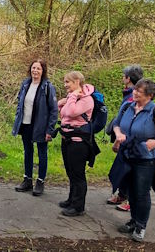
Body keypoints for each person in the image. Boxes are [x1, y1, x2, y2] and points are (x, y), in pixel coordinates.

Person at [110, 79, 155, 242]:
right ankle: (133, 220)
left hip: (145, 160)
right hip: (126, 155)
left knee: (141, 193)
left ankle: (141, 226)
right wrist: (118, 134)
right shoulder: (127, 106)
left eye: (139, 92)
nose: (134, 93)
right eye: (135, 89)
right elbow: (116, 123)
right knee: (130, 191)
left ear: (150, 95)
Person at [11, 59, 57, 196]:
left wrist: (50, 129)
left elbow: (54, 110)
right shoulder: (25, 84)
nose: (35, 71)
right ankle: (27, 180)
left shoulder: (47, 86)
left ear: (43, 71)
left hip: (41, 126)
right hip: (25, 124)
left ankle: (40, 181)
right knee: (28, 151)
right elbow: (20, 102)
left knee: (42, 153)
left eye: (38, 68)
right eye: (33, 68)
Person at [56, 71, 95, 217]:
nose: (65, 85)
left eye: (68, 82)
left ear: (77, 81)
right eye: (65, 82)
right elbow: (63, 114)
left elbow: (71, 112)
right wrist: (61, 105)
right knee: (70, 172)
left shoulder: (86, 100)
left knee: (78, 174)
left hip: (79, 143)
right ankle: (71, 200)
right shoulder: (73, 97)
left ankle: (78, 207)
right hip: (67, 139)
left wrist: (71, 97)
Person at [108, 64, 144, 212]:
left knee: (129, 170)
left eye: (123, 76)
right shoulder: (128, 93)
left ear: (128, 78)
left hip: (131, 139)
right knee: (121, 168)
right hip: (124, 136)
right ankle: (122, 194)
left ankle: (131, 199)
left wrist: (118, 138)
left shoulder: (133, 96)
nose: (122, 78)